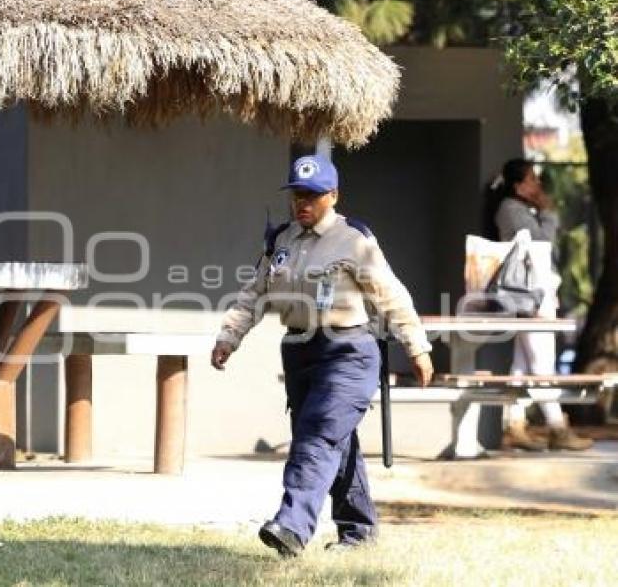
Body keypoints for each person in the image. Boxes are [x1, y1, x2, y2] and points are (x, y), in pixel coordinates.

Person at [211, 154, 433, 557]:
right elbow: (254, 295)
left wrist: (416, 346)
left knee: (316, 435)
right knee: (333, 441)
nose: (303, 203)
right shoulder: (281, 241)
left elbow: (391, 295)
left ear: (333, 195)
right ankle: (359, 533)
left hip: (349, 352)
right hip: (299, 351)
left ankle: (292, 527)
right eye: (298, 195)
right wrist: (229, 337)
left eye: (312, 195)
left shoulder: (354, 239)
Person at [485, 158, 592, 452]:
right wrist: (548, 212)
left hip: (537, 292)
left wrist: (544, 211)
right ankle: (557, 428)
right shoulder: (511, 210)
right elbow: (542, 241)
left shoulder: (521, 209)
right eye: (532, 179)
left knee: (522, 363)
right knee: (542, 361)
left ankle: (515, 424)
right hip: (529, 294)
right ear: (518, 186)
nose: (538, 185)